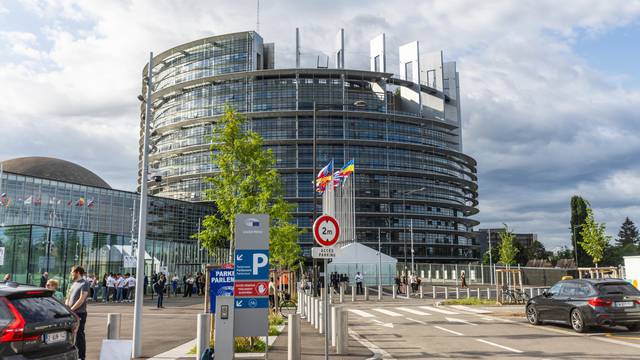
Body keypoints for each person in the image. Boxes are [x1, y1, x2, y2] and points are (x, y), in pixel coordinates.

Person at [66, 266, 89, 360]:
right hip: (71, 312)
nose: (71, 274)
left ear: (78, 272)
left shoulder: (85, 283)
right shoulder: (73, 283)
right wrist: (66, 307)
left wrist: (72, 309)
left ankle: (81, 356)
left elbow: (82, 299)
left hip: (79, 313)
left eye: (72, 272)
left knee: (79, 334)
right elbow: (68, 297)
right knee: (71, 335)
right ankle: (74, 355)